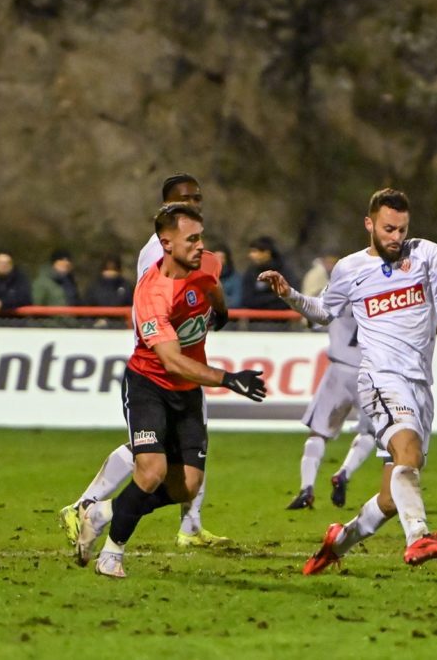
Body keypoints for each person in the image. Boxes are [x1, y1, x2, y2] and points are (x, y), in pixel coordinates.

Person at [259, 187, 437, 574]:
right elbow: (323, 312)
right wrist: (290, 294)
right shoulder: (350, 268)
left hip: (419, 384)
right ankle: (418, 537)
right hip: (380, 378)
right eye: (389, 229)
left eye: (402, 229)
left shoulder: (424, 253)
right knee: (408, 453)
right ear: (369, 224)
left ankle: (338, 542)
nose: (396, 237)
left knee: (392, 498)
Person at [74, 204, 266, 578]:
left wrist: (221, 311)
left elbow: (213, 285)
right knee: (151, 472)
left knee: (188, 486)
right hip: (150, 386)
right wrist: (228, 379)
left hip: (187, 392)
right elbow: (172, 361)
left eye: (201, 237)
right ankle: (112, 555)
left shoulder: (207, 262)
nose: (200, 246)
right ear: (166, 243)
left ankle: (99, 512)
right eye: (191, 239)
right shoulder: (152, 295)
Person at [59, 174, 231, 551]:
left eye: (198, 198)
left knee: (179, 450)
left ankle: (189, 524)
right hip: (162, 365)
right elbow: (154, 305)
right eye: (186, 198)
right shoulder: (158, 251)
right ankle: (86, 507)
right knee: (156, 453)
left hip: (182, 361)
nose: (195, 203)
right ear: (166, 206)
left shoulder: (192, 247)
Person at [287, 304, 377, 510]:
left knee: (318, 433)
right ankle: (344, 472)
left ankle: (306, 488)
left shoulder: (339, 290)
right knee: (371, 432)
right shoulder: (385, 292)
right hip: (371, 372)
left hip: (339, 369)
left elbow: (313, 320)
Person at [241, 235, 294, 310]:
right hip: (256, 316)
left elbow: (289, 297)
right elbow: (247, 300)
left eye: (254, 251)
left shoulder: (284, 271)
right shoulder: (251, 272)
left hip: (280, 316)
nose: (250, 255)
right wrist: (274, 298)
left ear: (267, 253)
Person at [211, 242, 242, 309]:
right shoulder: (206, 277)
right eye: (216, 257)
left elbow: (236, 302)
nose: (219, 261)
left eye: (221, 258)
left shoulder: (235, 278)